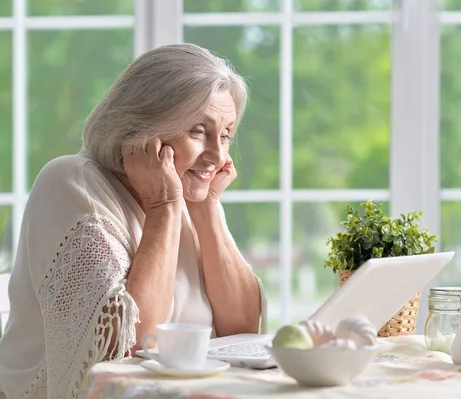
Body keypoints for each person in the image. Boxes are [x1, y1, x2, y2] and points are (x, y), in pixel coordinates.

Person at [0, 43, 267, 399]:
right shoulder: (70, 183)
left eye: (226, 134)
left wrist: (207, 208)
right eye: (199, 132)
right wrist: (164, 206)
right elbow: (131, 347)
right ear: (144, 130)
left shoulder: (187, 198)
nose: (218, 156)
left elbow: (243, 327)